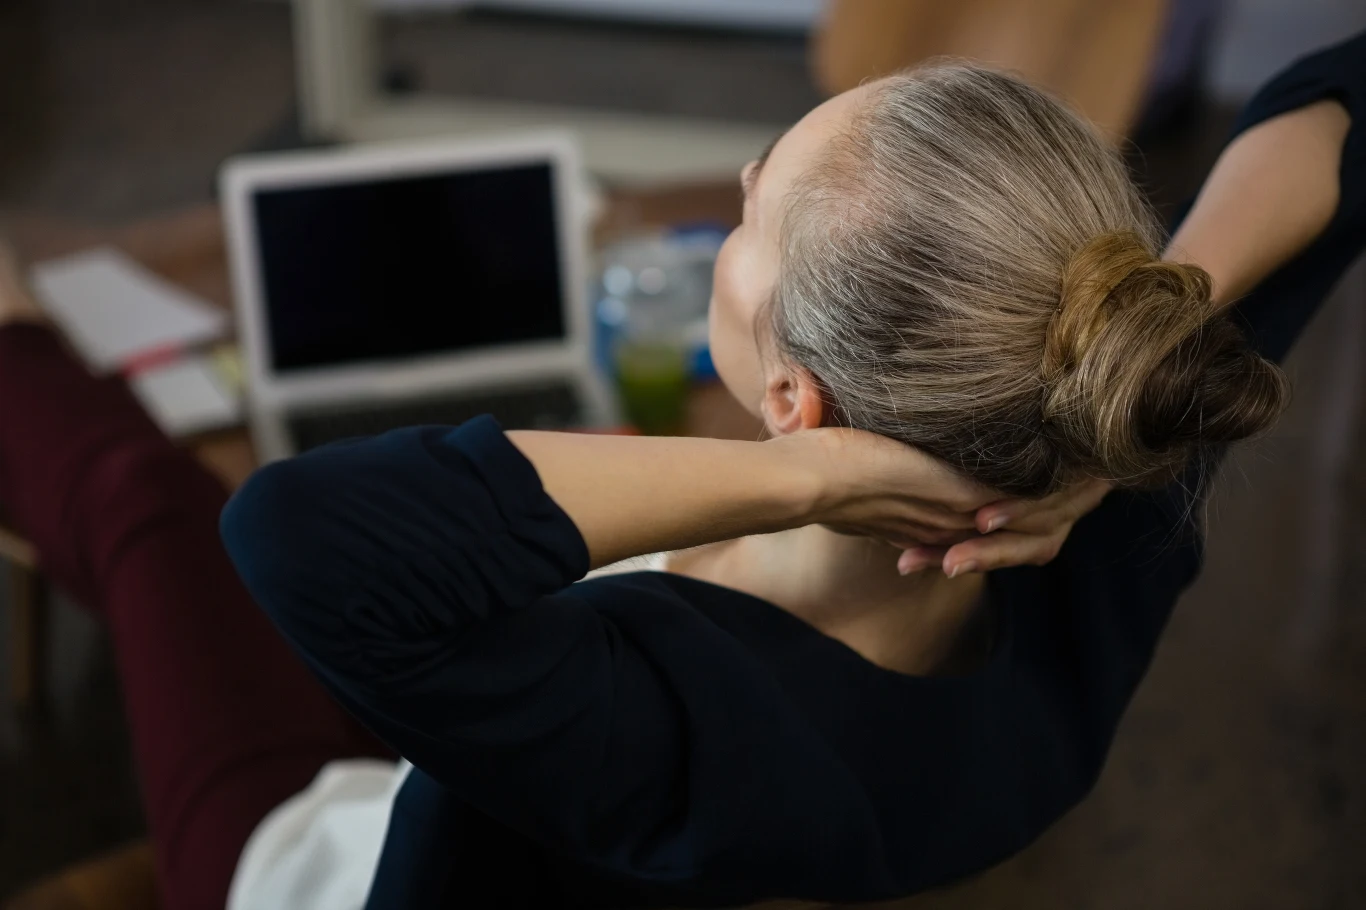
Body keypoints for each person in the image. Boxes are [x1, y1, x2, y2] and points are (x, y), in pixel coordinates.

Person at [0, 33, 1360, 910]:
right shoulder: (1113, 486)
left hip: (312, 873)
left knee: (143, 506)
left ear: (795, 403)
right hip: (466, 738)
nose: (753, 170)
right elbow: (1334, 98)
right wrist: (1185, 287)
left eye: (758, 208)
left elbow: (294, 535)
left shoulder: (676, 720)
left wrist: (804, 481)